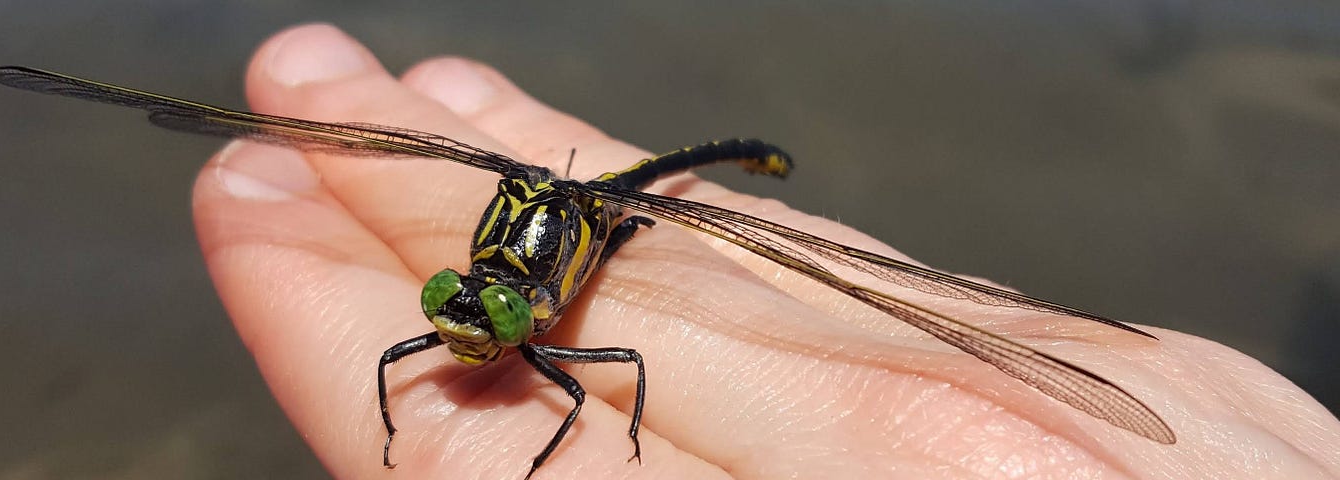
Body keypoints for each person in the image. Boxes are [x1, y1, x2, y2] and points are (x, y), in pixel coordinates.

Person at [196, 23, 1340, 478]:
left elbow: (614, 377)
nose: (460, 319)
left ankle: (657, 195)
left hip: (619, 200)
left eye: (481, 313)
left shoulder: (542, 316)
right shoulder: (468, 290)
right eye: (465, 304)